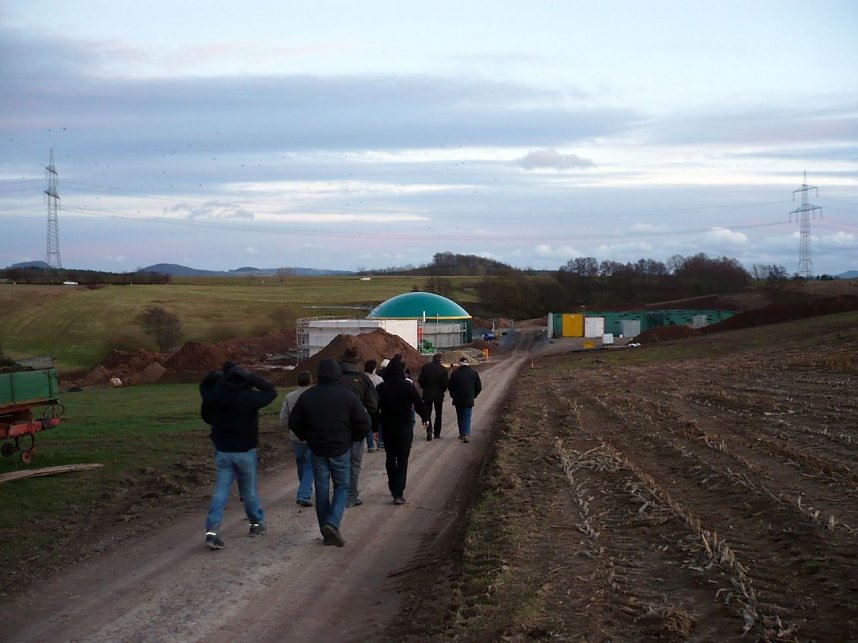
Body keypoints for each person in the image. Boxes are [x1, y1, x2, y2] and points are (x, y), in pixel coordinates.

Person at [289, 358, 369, 547]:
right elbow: (364, 422)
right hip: (341, 448)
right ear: (337, 375)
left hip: (317, 449)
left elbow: (294, 422)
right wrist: (352, 439)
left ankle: (326, 532)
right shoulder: (348, 396)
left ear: (319, 375)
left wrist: (306, 437)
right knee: (342, 486)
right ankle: (332, 523)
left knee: (322, 490)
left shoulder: (307, 396)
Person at [200, 361, 277, 550]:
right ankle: (256, 523)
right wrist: (252, 377)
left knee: (221, 491)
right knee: (248, 491)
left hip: (223, 450)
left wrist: (215, 375)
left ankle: (212, 530)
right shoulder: (249, 398)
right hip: (245, 450)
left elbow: (204, 387)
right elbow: (271, 391)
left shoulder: (215, 396)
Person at [377, 356, 429, 505]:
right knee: (402, 460)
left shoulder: (381, 388)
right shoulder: (408, 386)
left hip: (387, 428)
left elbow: (375, 409)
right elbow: (418, 403)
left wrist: (374, 427)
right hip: (404, 427)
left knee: (390, 458)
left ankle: (392, 485)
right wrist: (425, 418)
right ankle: (398, 493)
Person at [339, 346, 379, 508]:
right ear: (357, 361)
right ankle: (351, 496)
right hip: (356, 427)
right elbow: (373, 405)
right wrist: (370, 421)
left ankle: (340, 494)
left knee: (339, 462)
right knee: (354, 463)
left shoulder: (335, 378)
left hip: (337, 426)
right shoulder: (363, 379)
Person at [279, 370, 314, 507]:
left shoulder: (289, 396)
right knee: (311, 465)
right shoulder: (314, 394)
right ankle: (304, 493)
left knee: (301, 464)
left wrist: (289, 428)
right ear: (311, 380)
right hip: (312, 435)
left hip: (296, 436)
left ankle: (304, 488)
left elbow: (283, 418)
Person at [447, 356, 482, 443]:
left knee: (460, 416)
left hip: (457, 399)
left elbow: (450, 387)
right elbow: (479, 387)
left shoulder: (455, 374)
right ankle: (466, 434)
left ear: (459, 364)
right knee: (467, 416)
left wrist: (453, 395)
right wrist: (474, 395)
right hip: (468, 398)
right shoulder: (474, 373)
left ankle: (462, 433)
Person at [418, 353, 449, 441]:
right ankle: (437, 433)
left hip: (427, 394)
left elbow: (420, 380)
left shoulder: (425, 368)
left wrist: (424, 387)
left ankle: (429, 431)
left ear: (433, 359)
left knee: (427, 413)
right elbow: (445, 383)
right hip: (438, 395)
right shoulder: (443, 369)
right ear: (440, 360)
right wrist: (442, 390)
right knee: (438, 414)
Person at [363, 359, 384, 452]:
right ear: (374, 368)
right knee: (378, 423)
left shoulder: (362, 378)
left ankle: (370, 446)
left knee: (368, 424)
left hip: (365, 405)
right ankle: (380, 442)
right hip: (376, 404)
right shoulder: (379, 379)